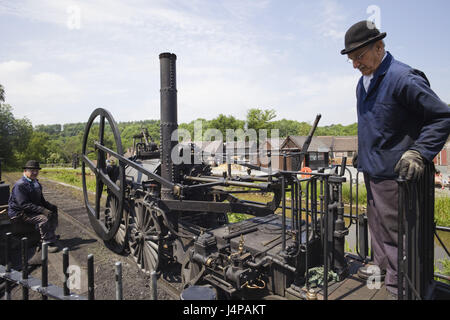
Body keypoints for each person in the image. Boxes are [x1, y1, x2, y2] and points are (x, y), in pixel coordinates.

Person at [341, 20, 450, 298]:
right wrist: (362, 152)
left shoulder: (402, 77)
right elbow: (376, 124)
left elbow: (441, 116)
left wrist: (419, 152)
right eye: (351, 59)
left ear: (379, 47)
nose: (355, 64)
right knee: (378, 232)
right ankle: (385, 280)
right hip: (373, 172)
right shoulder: (363, 83)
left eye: (359, 56)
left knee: (397, 237)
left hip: (397, 177)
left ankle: (400, 290)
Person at [8, 160, 60, 253]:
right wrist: (42, 210)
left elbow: (41, 200)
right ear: (25, 171)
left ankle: (50, 234)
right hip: (20, 212)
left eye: (36, 170)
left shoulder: (36, 183)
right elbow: (23, 204)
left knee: (53, 212)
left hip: (30, 209)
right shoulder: (20, 185)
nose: (35, 173)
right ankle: (46, 243)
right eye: (32, 171)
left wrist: (49, 206)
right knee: (44, 218)